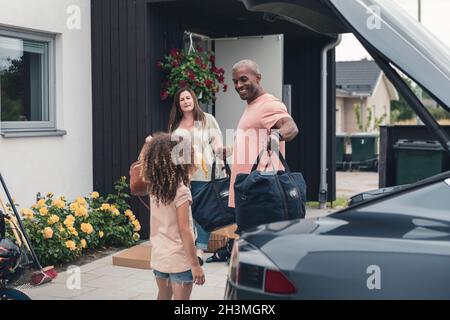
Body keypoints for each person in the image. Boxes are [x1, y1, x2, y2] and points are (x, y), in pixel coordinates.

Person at [168, 87, 229, 265]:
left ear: (194, 99)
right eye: (182, 99)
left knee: (203, 212)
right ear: (178, 105)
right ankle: (186, 247)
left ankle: (200, 250)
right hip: (183, 177)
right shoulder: (175, 125)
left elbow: (217, 143)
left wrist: (222, 160)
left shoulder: (206, 119)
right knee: (186, 212)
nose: (186, 101)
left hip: (204, 175)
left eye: (188, 97)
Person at [140, 132, 205, 300]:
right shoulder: (181, 191)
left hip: (159, 257)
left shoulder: (155, 188)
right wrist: (195, 264)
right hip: (179, 261)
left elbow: (144, 160)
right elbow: (185, 230)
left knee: (162, 295)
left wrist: (149, 144)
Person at [228, 59, 299, 209]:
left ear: (258, 78)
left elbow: (291, 127)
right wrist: (228, 150)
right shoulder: (252, 105)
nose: (238, 85)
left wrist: (276, 136)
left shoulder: (268, 104)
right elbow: (251, 143)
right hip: (248, 191)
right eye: (235, 81)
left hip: (261, 192)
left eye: (243, 79)